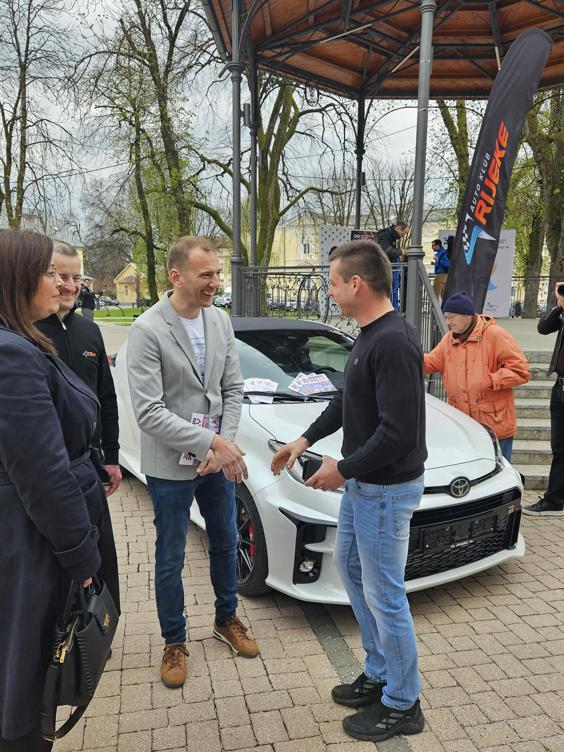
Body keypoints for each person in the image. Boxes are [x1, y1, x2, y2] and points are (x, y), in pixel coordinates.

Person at [272, 239, 427, 743]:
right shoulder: (369, 336)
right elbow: (346, 401)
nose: (331, 291)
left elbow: (398, 432)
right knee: (356, 574)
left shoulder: (394, 342)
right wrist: (304, 440)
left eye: (334, 283)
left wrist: (343, 469)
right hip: (366, 486)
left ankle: (403, 702)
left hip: (385, 490)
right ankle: (379, 673)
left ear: (356, 284)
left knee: (385, 595)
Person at [0, 230, 119, 751]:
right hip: (35, 545)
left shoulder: (23, 341)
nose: (62, 282)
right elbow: (42, 474)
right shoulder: (12, 355)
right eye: (48, 272)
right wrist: (83, 558)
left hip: (35, 532)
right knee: (30, 682)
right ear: (18, 278)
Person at [127, 235, 260, 690]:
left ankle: (226, 619)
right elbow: (149, 412)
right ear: (176, 276)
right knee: (171, 554)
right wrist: (211, 443)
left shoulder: (219, 320)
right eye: (206, 274)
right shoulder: (147, 330)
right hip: (170, 466)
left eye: (217, 273)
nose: (215, 282)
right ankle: (174, 641)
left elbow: (233, 389)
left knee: (225, 540)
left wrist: (223, 444)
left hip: (215, 461)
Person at [35, 241, 121, 494]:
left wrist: (112, 456)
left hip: (89, 461)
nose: (71, 286)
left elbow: (106, 397)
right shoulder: (25, 332)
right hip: (43, 465)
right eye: (61, 276)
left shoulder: (90, 331)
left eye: (76, 278)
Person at [424, 291, 529, 462]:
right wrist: (407, 356)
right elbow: (429, 363)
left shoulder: (495, 334)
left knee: (498, 473)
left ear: (467, 315)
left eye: (451, 317)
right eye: (446, 317)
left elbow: (521, 371)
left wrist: (490, 380)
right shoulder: (448, 340)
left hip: (494, 427)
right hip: (464, 428)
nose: (448, 322)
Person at [523, 282, 564, 516]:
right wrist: (558, 305)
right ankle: (554, 501)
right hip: (560, 387)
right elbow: (543, 328)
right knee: (559, 448)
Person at [375, 221, 409, 310]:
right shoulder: (385, 235)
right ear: (398, 228)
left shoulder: (389, 236)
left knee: (392, 290)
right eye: (403, 233)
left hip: (387, 269)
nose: (403, 236)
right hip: (383, 270)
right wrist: (400, 252)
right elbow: (386, 251)